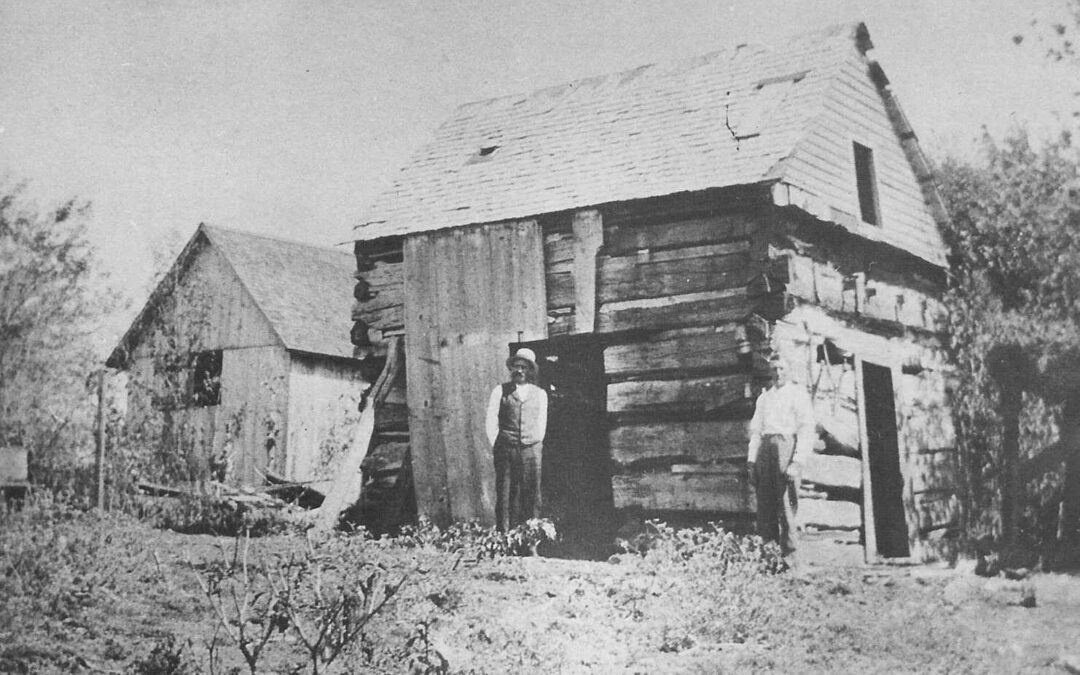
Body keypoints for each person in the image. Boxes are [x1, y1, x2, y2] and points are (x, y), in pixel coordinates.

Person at [746, 355, 816, 560]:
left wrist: (797, 462)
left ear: (790, 370)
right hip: (765, 451)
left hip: (786, 448)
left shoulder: (798, 395)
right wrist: (752, 462)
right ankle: (769, 559)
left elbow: (806, 429)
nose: (778, 373)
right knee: (765, 507)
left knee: (786, 507)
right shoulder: (764, 398)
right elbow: (756, 431)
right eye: (774, 369)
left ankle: (790, 561)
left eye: (782, 369)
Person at [485, 347, 548, 532]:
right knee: (505, 494)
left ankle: (531, 542)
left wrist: (534, 441)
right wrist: (498, 443)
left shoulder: (540, 394)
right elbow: (491, 420)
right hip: (506, 449)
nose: (519, 370)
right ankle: (505, 538)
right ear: (511, 368)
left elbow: (541, 423)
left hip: (531, 449)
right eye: (516, 366)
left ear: (530, 370)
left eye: (524, 367)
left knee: (532, 494)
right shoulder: (500, 391)